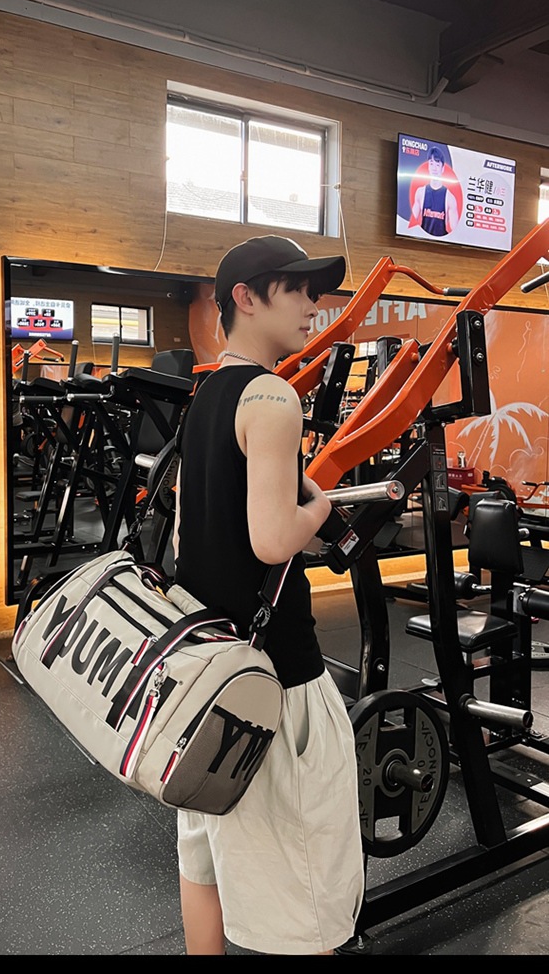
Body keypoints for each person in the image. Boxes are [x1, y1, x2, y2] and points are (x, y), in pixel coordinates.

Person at [172, 234, 365, 956]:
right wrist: (321, 509)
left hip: (207, 681)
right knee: (308, 899)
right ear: (246, 298)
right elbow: (274, 540)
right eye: (298, 288)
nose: (315, 305)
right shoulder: (273, 395)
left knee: (205, 862)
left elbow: (189, 533)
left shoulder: (205, 397)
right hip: (276, 685)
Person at [408, 146, 459, 236]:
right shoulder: (420, 192)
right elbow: (410, 225)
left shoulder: (450, 198)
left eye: (437, 164)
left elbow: (456, 232)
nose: (434, 168)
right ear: (428, 166)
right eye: (431, 164)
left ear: (442, 168)